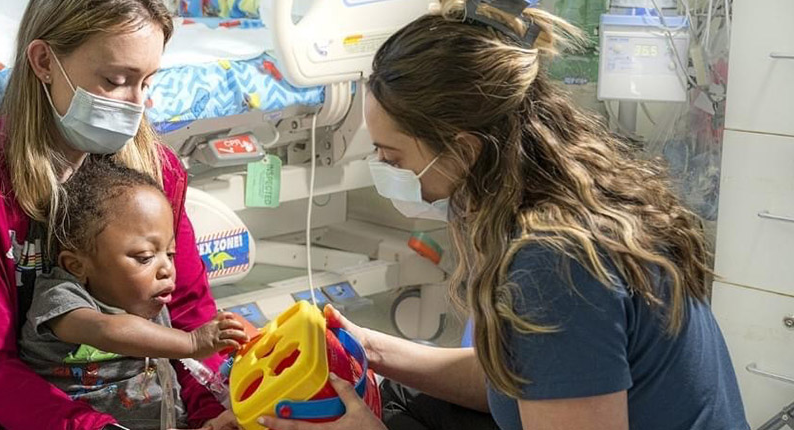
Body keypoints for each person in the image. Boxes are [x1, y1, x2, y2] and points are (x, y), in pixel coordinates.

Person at [259, 1, 748, 429]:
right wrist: (371, 349)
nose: (387, 170)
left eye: (393, 157)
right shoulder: (581, 200)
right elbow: (528, 384)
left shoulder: (554, 265)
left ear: (465, 149)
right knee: (403, 401)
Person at [0, 1, 232, 428]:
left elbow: (189, 315)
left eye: (147, 83)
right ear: (44, 61)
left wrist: (215, 412)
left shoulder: (156, 173)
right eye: (115, 80)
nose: (135, 105)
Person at [18, 158, 247, 430]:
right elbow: (107, 330)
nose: (166, 269)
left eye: (170, 254)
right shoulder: (62, 298)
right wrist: (192, 343)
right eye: (145, 257)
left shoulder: (149, 301)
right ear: (77, 265)